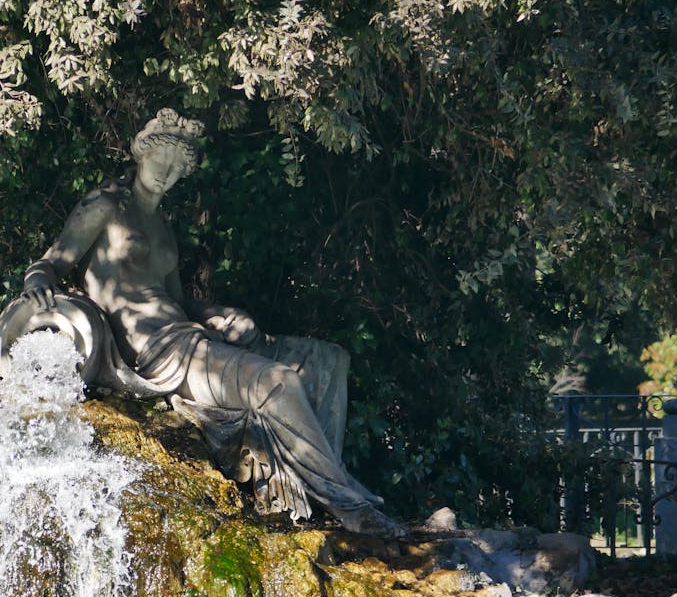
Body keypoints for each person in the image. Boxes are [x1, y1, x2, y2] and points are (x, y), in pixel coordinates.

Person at [21, 110, 403, 537]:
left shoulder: (164, 229)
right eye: (159, 160)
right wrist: (37, 279)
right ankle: (350, 506)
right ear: (140, 156)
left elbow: (180, 302)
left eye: (176, 167)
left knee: (327, 359)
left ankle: (326, 485)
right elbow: (54, 261)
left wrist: (220, 314)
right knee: (276, 382)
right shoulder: (106, 205)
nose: (166, 172)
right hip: (155, 352)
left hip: (187, 334)